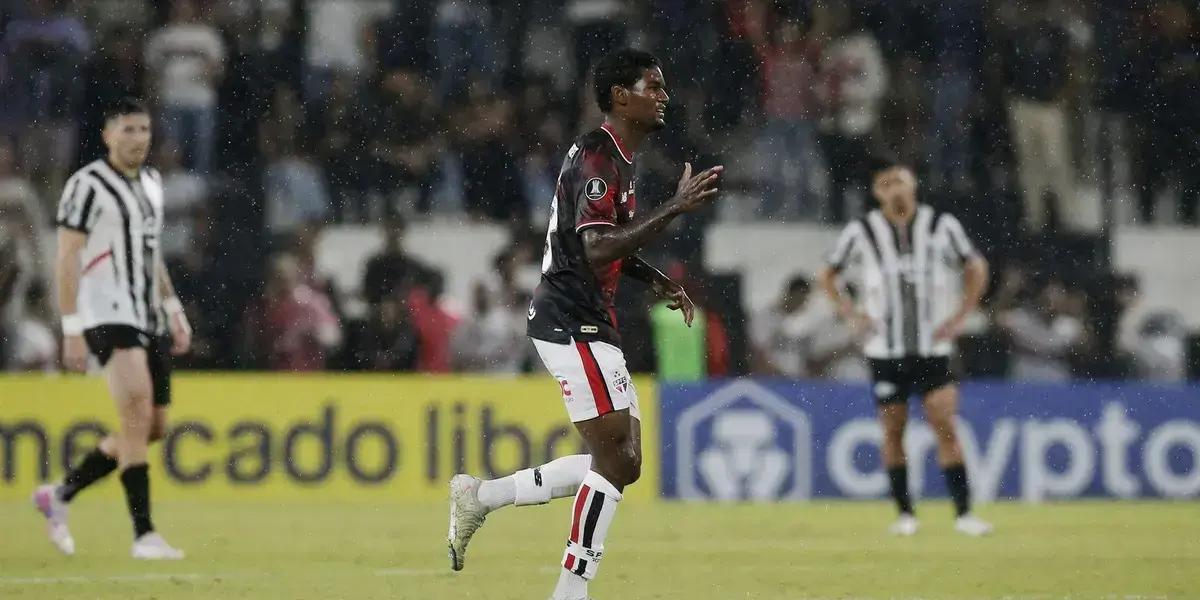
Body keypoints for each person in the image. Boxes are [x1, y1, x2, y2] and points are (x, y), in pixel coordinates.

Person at [445, 48, 722, 599]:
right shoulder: (599, 157)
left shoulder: (616, 156)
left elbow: (594, 243)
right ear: (621, 96)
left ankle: (481, 497)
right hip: (570, 319)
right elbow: (596, 250)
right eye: (654, 85)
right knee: (617, 457)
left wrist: (654, 279)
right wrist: (673, 207)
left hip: (588, 318)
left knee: (624, 460)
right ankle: (570, 591)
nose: (664, 96)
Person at [32, 98, 191, 559]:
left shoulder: (153, 184)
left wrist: (173, 306)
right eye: (128, 129)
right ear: (107, 135)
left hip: (147, 313)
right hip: (105, 310)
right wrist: (72, 327)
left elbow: (150, 253)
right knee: (137, 413)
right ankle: (144, 535)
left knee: (153, 427)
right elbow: (66, 256)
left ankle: (59, 495)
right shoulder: (86, 185)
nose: (138, 138)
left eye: (143, 129)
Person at [818, 157, 992, 537]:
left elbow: (976, 267)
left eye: (899, 180)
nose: (894, 188)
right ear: (875, 192)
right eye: (885, 184)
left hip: (933, 347)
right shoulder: (861, 230)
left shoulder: (942, 226)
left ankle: (963, 514)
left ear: (913, 183)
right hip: (885, 350)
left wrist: (962, 314)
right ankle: (905, 515)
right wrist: (850, 313)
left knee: (944, 424)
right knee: (893, 430)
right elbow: (827, 275)